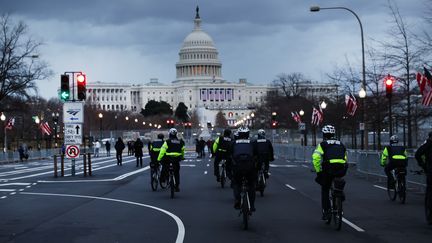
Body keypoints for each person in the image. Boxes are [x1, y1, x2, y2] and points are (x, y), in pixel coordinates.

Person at [312, 125, 348, 220]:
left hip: (329, 167)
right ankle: (340, 194)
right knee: (338, 180)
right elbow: (345, 157)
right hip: (342, 167)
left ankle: (327, 211)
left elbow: (316, 158)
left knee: (325, 188)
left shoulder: (323, 144)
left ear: (324, 134)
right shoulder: (341, 144)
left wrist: (318, 170)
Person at [231, 126, 258, 211]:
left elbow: (230, 156)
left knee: (236, 183)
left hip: (238, 166)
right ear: (248, 134)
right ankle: (252, 205)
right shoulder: (252, 142)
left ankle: (238, 200)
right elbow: (256, 155)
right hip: (249, 167)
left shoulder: (234, 142)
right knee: (251, 185)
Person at [415, 131, 432, 224]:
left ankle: (430, 214)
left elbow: (417, 154)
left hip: (430, 171)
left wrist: (423, 165)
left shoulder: (428, 145)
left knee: (430, 192)